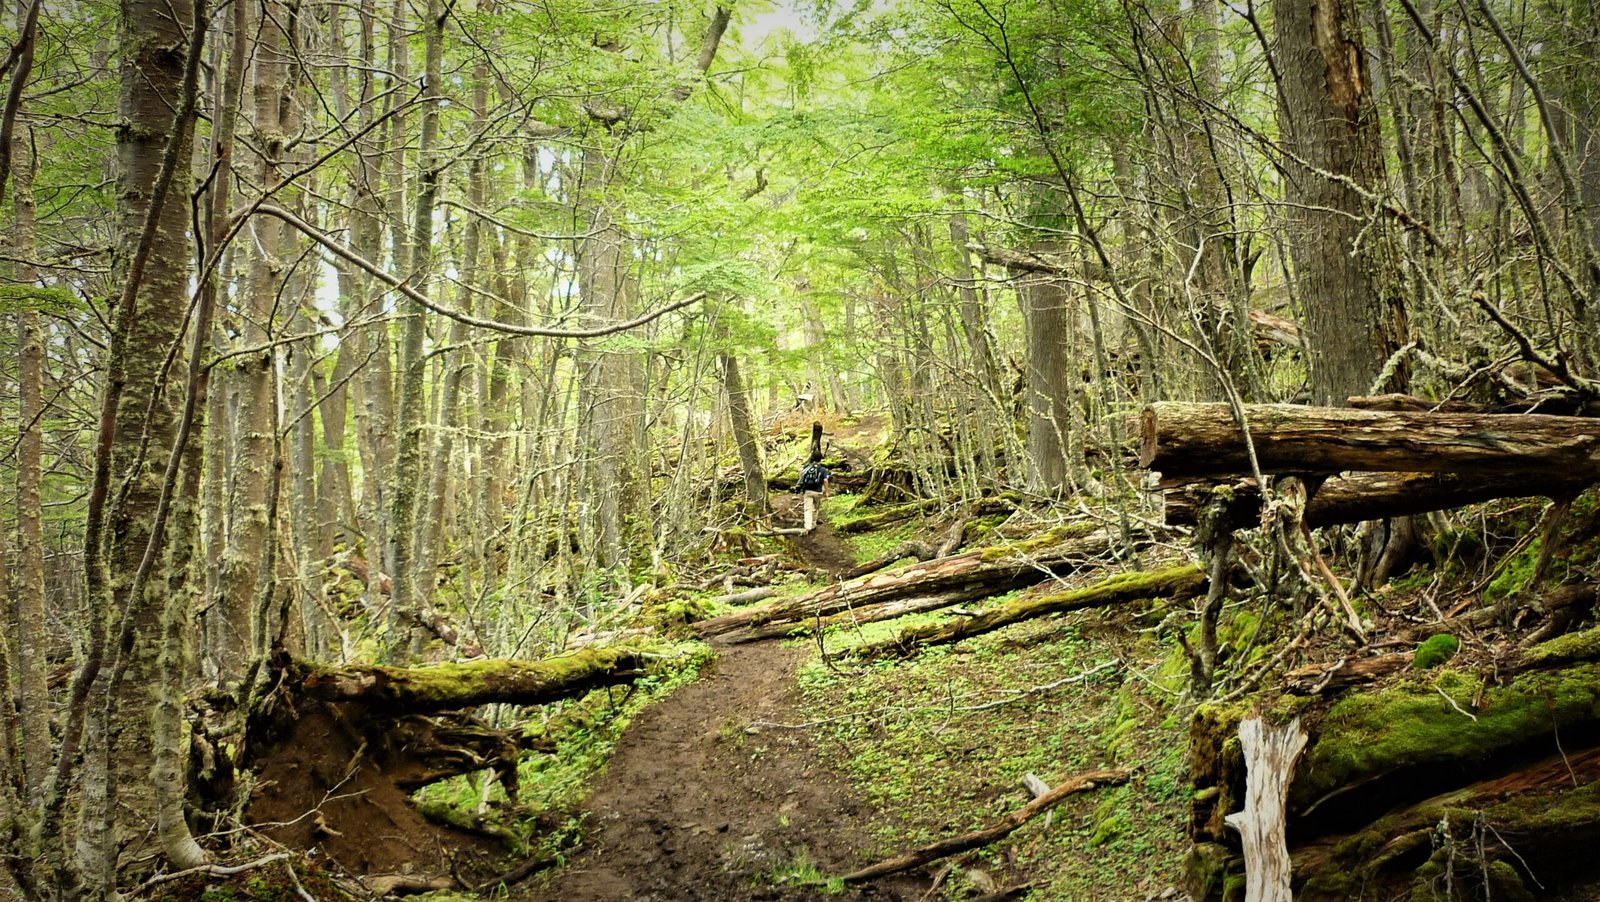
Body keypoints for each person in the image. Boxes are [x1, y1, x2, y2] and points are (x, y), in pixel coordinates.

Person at [797, 453, 830, 532]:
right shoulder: (823, 469)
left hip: (807, 491)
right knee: (815, 508)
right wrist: (826, 492)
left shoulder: (806, 468)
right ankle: (813, 524)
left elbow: (800, 473)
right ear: (820, 459)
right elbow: (825, 481)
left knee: (808, 509)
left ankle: (807, 527)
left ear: (812, 458)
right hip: (818, 492)